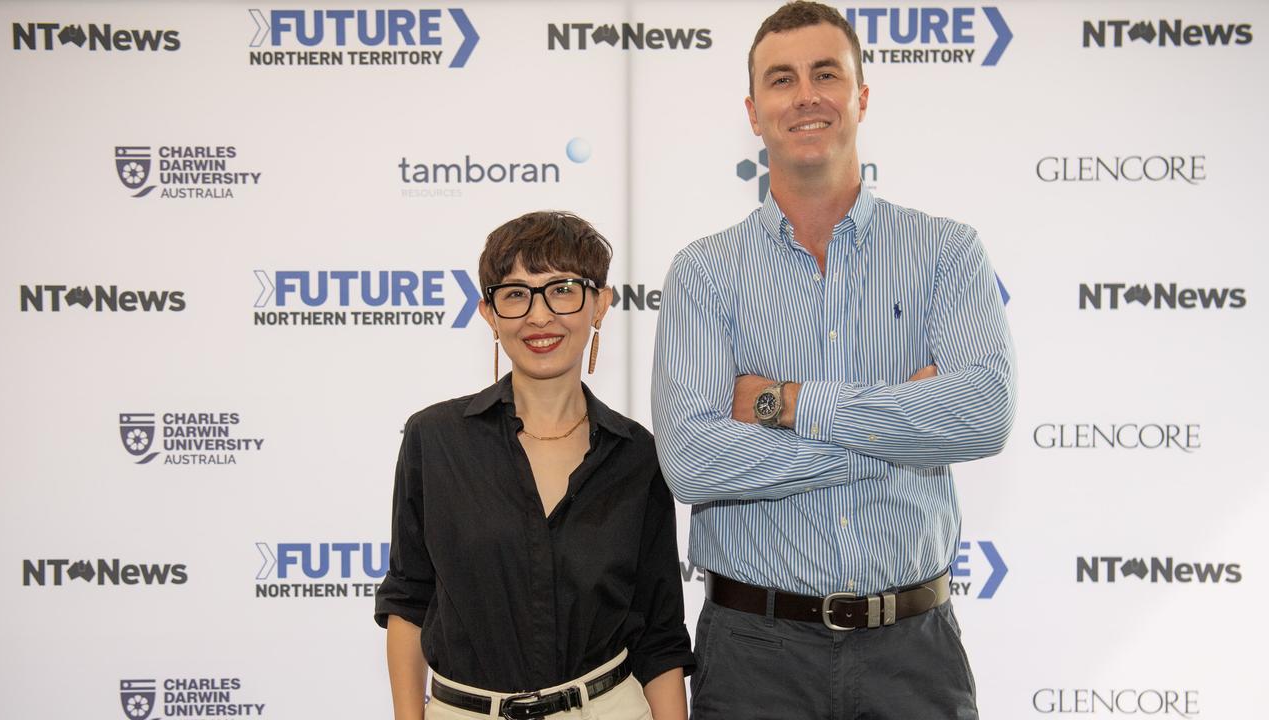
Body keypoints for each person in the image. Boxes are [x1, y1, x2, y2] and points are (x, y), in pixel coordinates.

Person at [651, 2, 1016, 718]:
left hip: (914, 650)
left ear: (862, 96)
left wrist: (787, 406)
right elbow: (693, 461)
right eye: (782, 80)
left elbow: (983, 414)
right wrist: (900, 434)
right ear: (754, 113)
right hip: (755, 653)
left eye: (827, 73)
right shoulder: (704, 272)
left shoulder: (946, 252)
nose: (806, 95)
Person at [377, 211, 693, 720]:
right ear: (489, 312)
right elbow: (408, 604)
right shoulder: (433, 439)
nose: (539, 316)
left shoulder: (638, 455)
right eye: (516, 293)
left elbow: (660, 636)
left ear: (601, 304)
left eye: (563, 289)